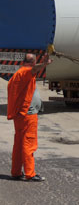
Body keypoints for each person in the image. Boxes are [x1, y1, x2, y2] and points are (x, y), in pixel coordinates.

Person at [7, 53, 52, 182]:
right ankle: (30, 173)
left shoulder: (19, 73)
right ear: (33, 62)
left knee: (19, 143)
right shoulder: (26, 71)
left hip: (20, 115)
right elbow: (33, 69)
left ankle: (16, 172)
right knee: (29, 143)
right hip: (27, 114)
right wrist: (44, 64)